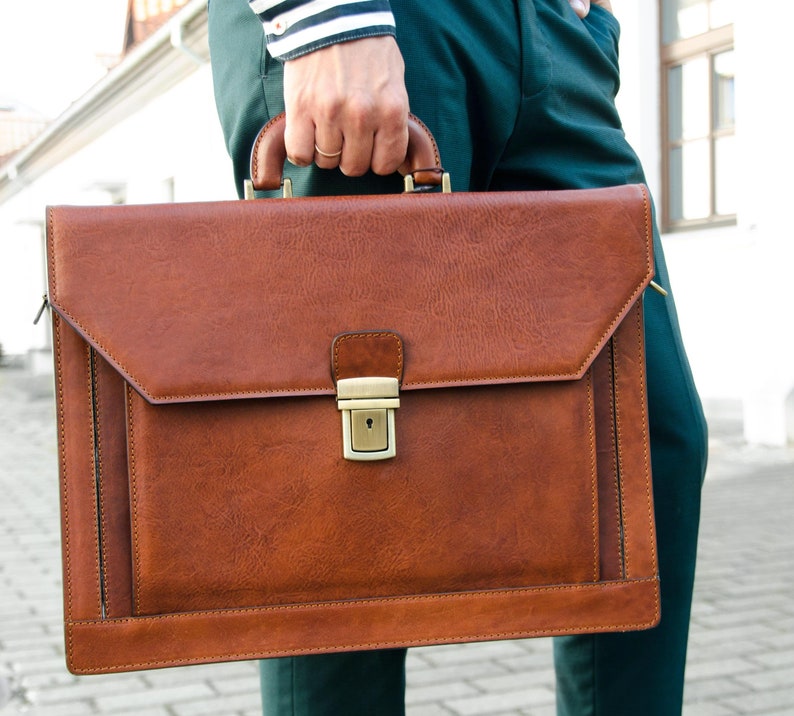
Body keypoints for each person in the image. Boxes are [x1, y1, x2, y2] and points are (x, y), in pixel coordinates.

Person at [207, 1, 709, 713]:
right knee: (344, 498)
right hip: (379, 22)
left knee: (648, 444)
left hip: (554, 36)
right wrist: (326, 17)